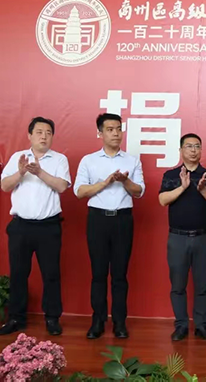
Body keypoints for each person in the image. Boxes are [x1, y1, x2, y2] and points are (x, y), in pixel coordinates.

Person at [74, 113, 145, 339]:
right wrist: (105, 182)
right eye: (110, 129)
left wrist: (124, 181)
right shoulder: (89, 160)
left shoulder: (132, 160)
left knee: (120, 274)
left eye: (118, 129)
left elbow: (139, 191)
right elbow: (79, 191)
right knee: (98, 273)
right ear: (100, 133)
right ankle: (98, 320)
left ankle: (119, 322)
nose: (116, 133)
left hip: (123, 220)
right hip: (98, 220)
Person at [0, 117, 70, 336]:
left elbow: (62, 186)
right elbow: (5, 186)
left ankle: (52, 318)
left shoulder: (59, 159)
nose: (44, 136)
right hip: (20, 226)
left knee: (51, 274)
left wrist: (39, 172)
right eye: (39, 132)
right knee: (18, 274)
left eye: (48, 132)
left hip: (48, 227)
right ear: (29, 135)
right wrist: (21, 172)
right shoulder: (17, 157)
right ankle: (16, 318)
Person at [158, 133, 206, 342]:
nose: (193, 150)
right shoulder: (171, 174)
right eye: (189, 146)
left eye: (197, 146)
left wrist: (203, 189)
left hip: (203, 238)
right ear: (181, 150)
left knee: (203, 285)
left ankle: (201, 325)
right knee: (178, 285)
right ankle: (181, 325)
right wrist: (182, 187)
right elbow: (162, 200)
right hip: (178, 238)